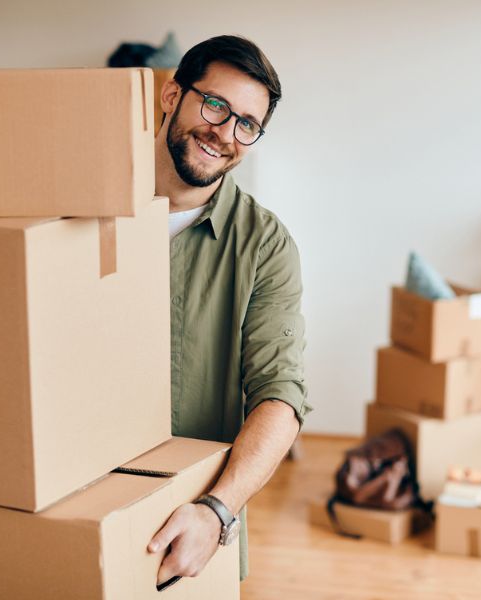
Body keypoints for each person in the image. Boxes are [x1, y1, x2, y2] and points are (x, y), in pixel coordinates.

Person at [146, 35, 311, 585]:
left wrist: (217, 510)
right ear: (173, 96)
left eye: (247, 123)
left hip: (189, 516)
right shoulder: (77, 211)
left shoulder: (265, 245)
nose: (224, 133)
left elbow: (281, 395)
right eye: (214, 105)